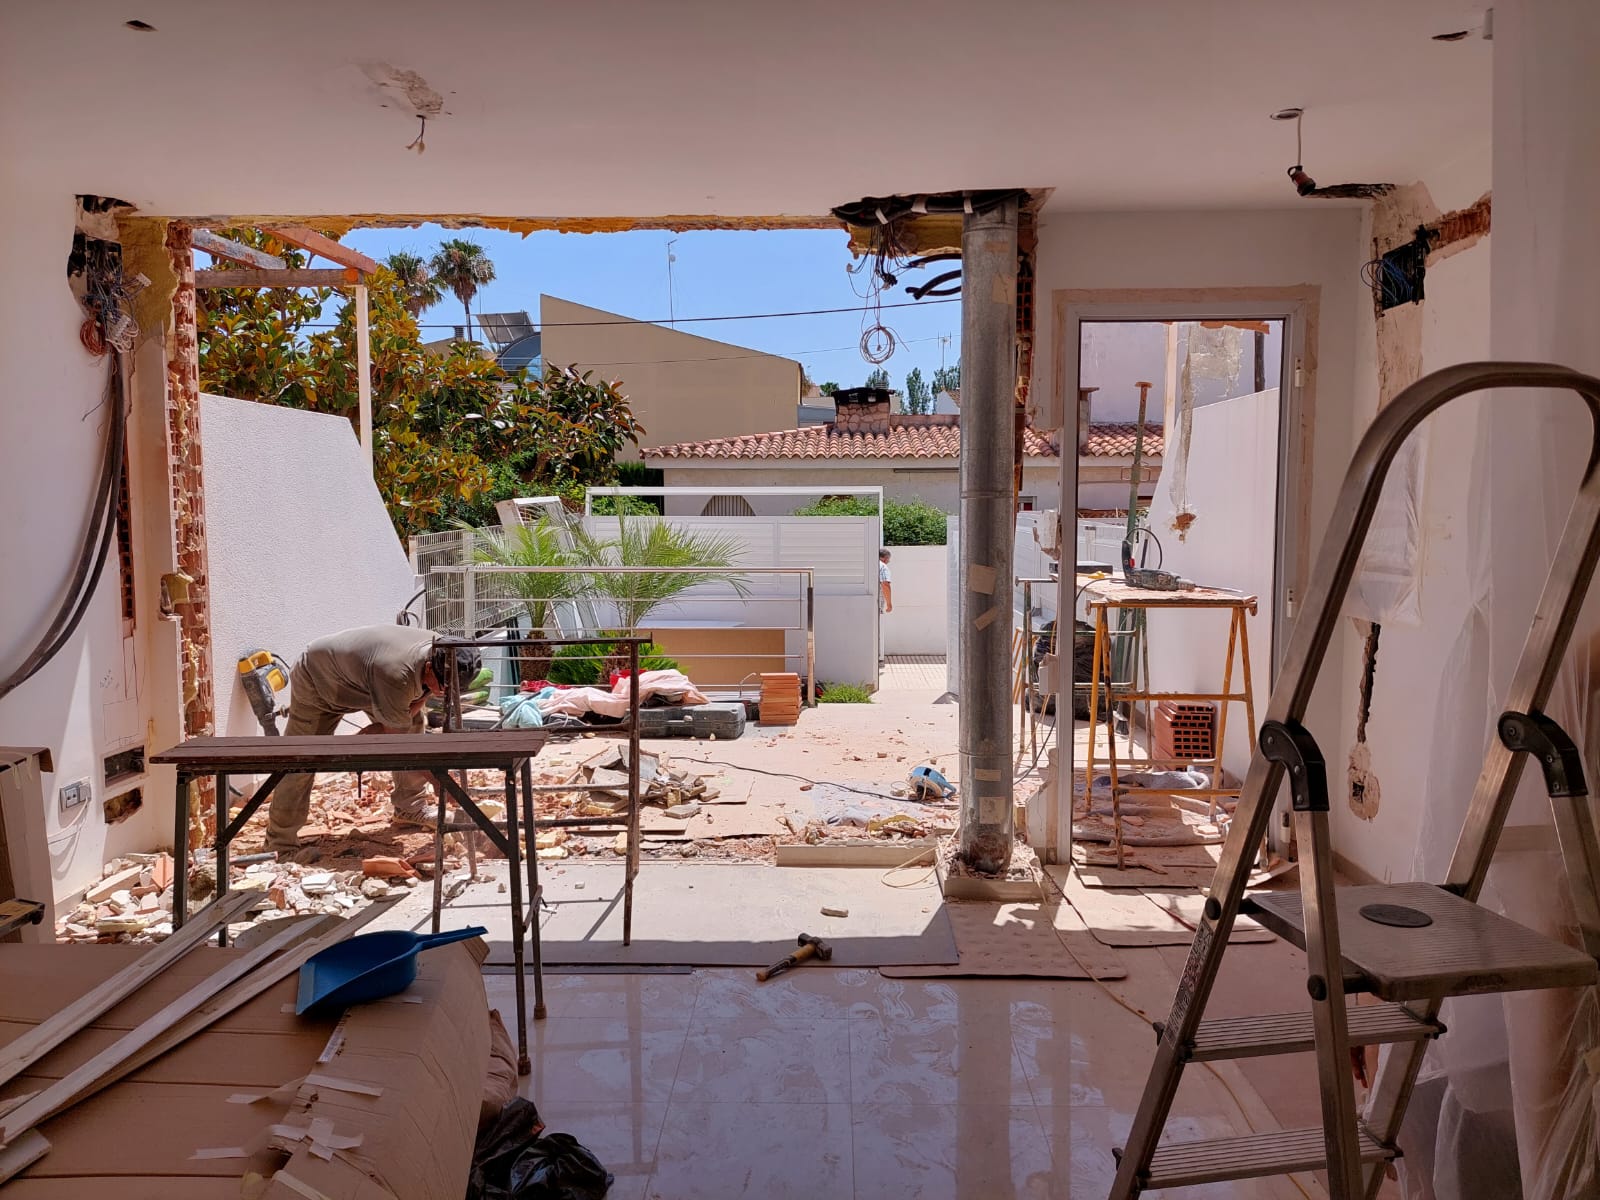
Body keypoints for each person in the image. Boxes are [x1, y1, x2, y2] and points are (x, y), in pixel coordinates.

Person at [264, 626, 482, 861]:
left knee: (414, 723)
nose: (443, 693)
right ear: (429, 666)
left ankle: (409, 806)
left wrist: (385, 728)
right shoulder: (397, 672)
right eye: (442, 686)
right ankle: (280, 844)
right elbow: (399, 748)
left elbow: (416, 703)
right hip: (319, 681)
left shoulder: (445, 651)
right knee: (301, 758)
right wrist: (440, 780)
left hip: (365, 682)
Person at [878, 547, 893, 613]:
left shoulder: (873, 564)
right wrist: (889, 604)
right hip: (876, 604)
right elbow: (885, 584)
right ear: (885, 558)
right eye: (888, 559)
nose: (888, 561)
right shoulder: (883, 566)